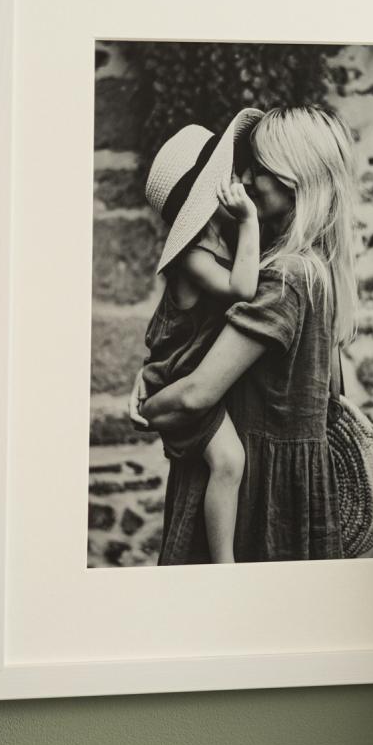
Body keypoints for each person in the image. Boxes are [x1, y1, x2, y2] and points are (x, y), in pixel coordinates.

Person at [135, 105, 360, 564]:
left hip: (260, 495)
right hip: (287, 485)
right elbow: (329, 396)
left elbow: (196, 395)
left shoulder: (285, 278)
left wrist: (149, 406)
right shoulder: (314, 270)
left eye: (260, 168)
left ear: (293, 179)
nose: (248, 179)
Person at [135, 109, 261, 563]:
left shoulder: (220, 240)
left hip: (191, 364)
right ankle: (223, 563)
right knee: (228, 461)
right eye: (231, 177)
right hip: (181, 372)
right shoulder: (193, 257)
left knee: (229, 462)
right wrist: (249, 221)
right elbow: (243, 288)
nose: (242, 181)